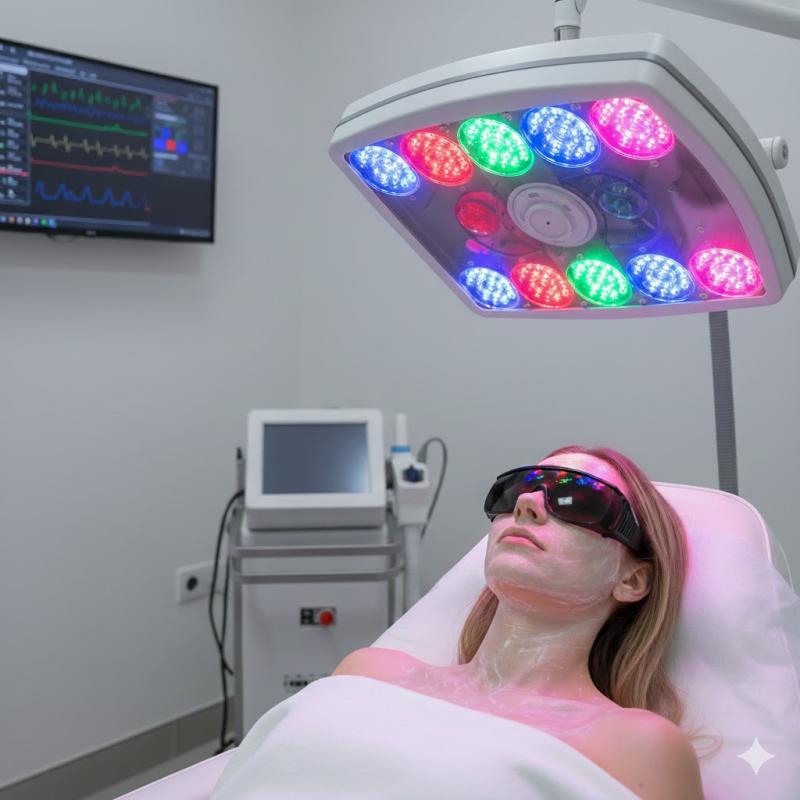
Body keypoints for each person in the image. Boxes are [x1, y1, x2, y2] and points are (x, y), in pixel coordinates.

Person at [333, 445, 708, 800]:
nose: (527, 504)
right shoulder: (370, 676)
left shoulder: (638, 747)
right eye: (515, 493)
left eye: (577, 499)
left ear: (632, 580)